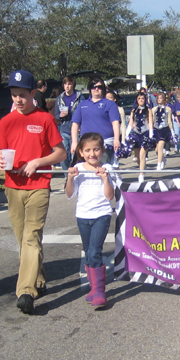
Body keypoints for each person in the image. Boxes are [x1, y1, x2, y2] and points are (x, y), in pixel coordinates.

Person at [0, 70, 67, 315]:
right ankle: (38, 276)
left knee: (31, 235)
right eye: (14, 95)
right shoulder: (6, 121)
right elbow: (1, 152)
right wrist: (0, 161)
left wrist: (38, 162)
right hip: (12, 186)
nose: (18, 100)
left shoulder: (45, 119)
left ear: (33, 93)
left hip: (38, 185)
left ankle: (26, 291)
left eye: (22, 95)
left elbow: (61, 153)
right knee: (23, 238)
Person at [65, 132, 117, 308]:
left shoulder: (108, 168)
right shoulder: (78, 168)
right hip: (83, 215)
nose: (92, 154)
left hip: (101, 214)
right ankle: (94, 287)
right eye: (87, 150)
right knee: (88, 253)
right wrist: (70, 178)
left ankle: (100, 290)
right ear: (81, 152)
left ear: (102, 150)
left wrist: (105, 179)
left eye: (96, 149)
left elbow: (110, 197)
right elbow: (70, 194)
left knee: (95, 251)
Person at [70, 77, 121, 164]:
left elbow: (115, 122)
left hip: (105, 143)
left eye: (99, 87)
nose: (96, 89)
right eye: (93, 87)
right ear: (90, 89)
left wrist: (116, 139)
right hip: (86, 143)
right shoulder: (82, 104)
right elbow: (75, 124)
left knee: (103, 169)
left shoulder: (110, 104)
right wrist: (74, 142)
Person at [54, 75, 81, 174]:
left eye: (69, 84)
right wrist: (60, 116)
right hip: (64, 130)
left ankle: (74, 175)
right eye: (65, 84)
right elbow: (56, 115)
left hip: (76, 130)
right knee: (63, 155)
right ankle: (67, 175)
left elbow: (83, 113)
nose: (67, 86)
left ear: (73, 85)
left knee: (75, 155)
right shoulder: (59, 98)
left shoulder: (79, 97)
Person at [128, 92, 154, 181]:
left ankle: (141, 174)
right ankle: (142, 168)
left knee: (142, 154)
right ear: (137, 100)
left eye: (142, 98)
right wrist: (127, 134)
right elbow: (131, 123)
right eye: (139, 98)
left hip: (145, 133)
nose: (141, 100)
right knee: (137, 156)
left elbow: (150, 122)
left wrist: (151, 133)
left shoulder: (148, 110)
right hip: (136, 134)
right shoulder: (133, 110)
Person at [151, 92, 174, 170]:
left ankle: (159, 164)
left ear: (164, 99)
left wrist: (172, 132)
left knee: (160, 146)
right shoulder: (153, 109)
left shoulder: (168, 109)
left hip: (164, 129)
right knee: (157, 149)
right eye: (158, 98)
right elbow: (152, 120)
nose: (159, 100)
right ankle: (162, 159)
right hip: (156, 129)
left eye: (161, 98)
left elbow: (169, 121)